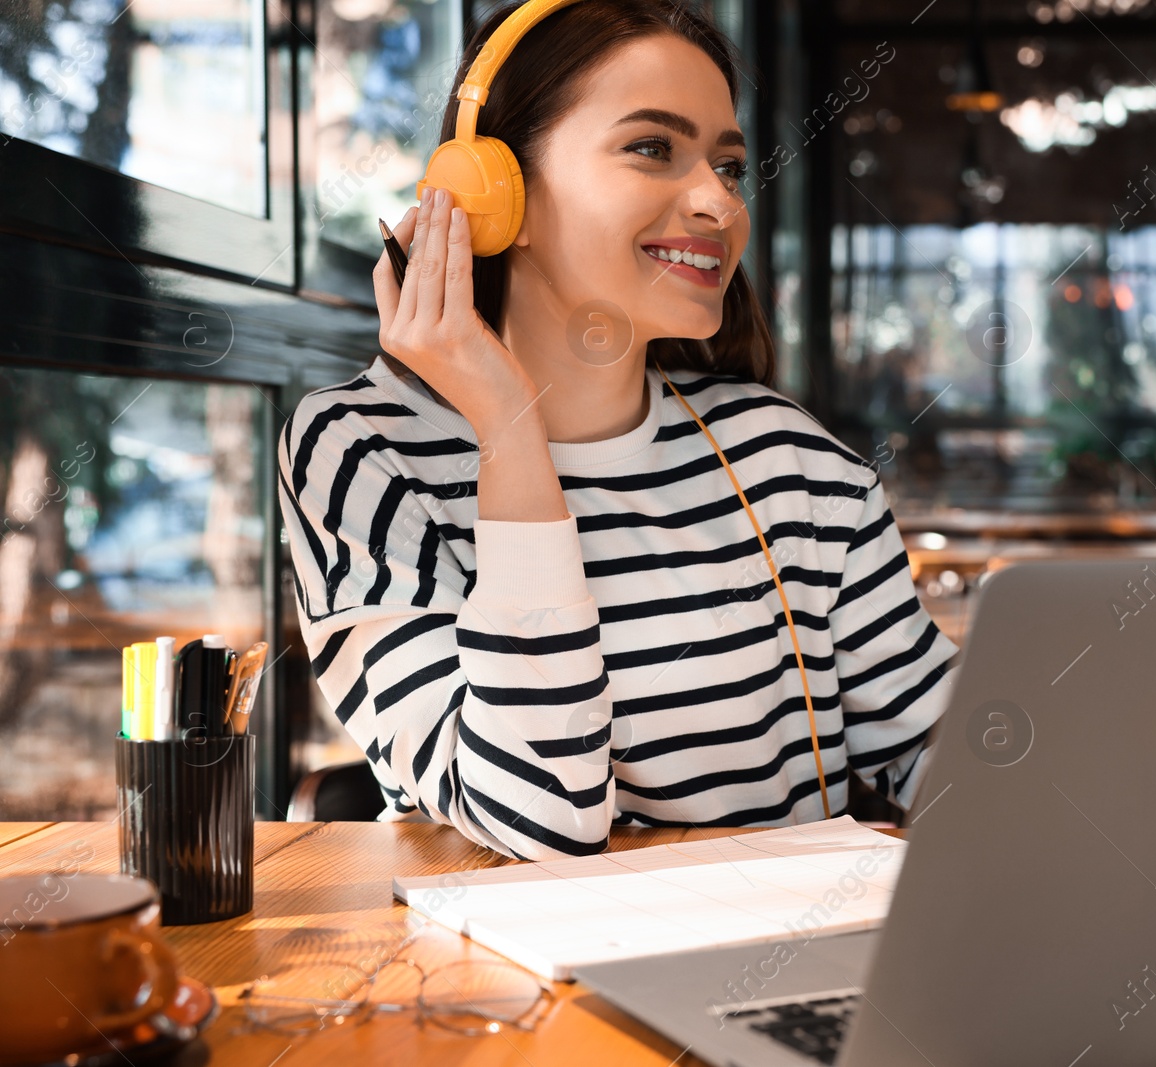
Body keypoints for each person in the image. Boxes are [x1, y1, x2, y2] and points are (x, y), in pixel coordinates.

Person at [278, 0, 959, 860]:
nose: (718, 201)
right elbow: (537, 818)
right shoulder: (358, 452)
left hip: (771, 970)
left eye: (729, 164)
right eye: (652, 148)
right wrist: (509, 427)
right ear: (494, 193)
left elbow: (954, 751)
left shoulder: (791, 461)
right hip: (501, 987)